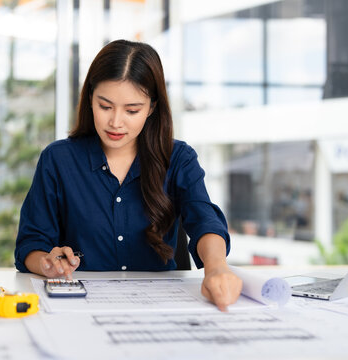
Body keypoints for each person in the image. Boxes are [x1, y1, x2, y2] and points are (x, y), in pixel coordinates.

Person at [14, 39, 242, 310]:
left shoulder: (179, 158)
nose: (116, 122)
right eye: (105, 106)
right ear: (90, 99)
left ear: (152, 107)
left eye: (132, 110)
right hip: (78, 308)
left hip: (160, 309)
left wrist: (216, 267)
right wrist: (47, 263)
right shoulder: (58, 159)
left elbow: (205, 220)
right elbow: (31, 244)